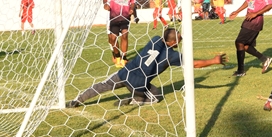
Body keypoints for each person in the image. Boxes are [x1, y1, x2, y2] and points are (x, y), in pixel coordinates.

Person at [68, 28, 226, 107]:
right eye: (179, 39)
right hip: (139, 84)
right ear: (172, 43)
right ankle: (135, 100)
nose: (180, 41)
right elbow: (194, 64)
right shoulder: (172, 55)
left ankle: (78, 100)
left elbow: (166, 33)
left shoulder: (156, 39)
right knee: (156, 96)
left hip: (125, 73)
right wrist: (214, 60)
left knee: (102, 86)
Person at [229, 0, 272, 76]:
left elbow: (270, 4)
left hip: (255, 21)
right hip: (249, 19)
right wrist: (237, 11)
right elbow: (249, 1)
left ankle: (241, 71)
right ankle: (265, 59)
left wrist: (255, 14)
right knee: (245, 46)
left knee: (239, 42)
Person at [104, 0, 137, 68]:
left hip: (125, 16)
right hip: (114, 17)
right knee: (113, 39)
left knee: (124, 35)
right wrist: (105, 4)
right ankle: (116, 54)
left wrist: (131, 9)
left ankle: (124, 57)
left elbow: (133, 2)